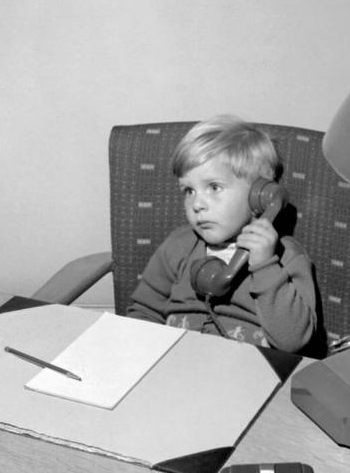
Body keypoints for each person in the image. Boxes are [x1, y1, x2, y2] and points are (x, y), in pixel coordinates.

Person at [126, 115, 321, 355]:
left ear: (261, 195)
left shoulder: (287, 257)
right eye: (189, 190)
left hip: (250, 376)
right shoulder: (178, 246)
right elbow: (143, 313)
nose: (197, 204)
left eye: (214, 187)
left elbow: (294, 340)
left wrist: (265, 266)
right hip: (176, 365)